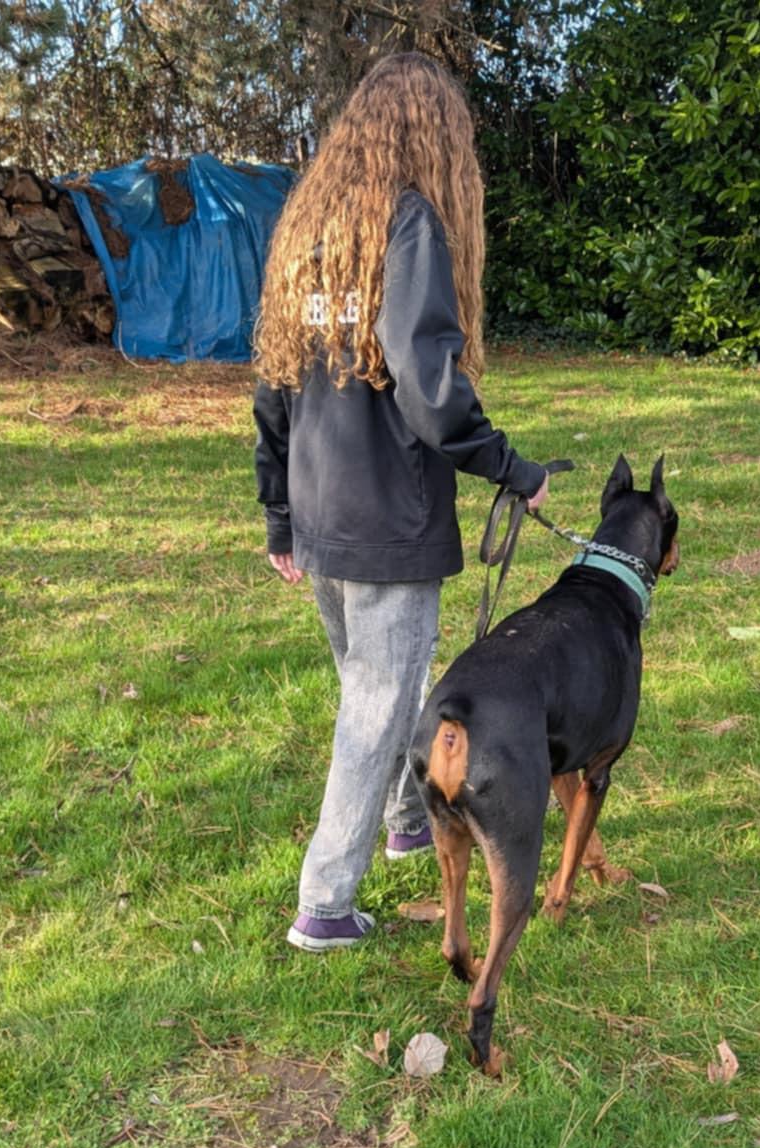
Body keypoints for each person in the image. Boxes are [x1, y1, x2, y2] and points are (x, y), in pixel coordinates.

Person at [252, 52, 550, 952]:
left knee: (373, 687)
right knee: (376, 704)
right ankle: (325, 902)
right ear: (436, 138)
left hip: (321, 513)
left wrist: (278, 512)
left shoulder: (308, 232)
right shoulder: (409, 226)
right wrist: (511, 467)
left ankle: (406, 820)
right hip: (387, 518)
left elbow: (269, 385)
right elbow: (429, 390)